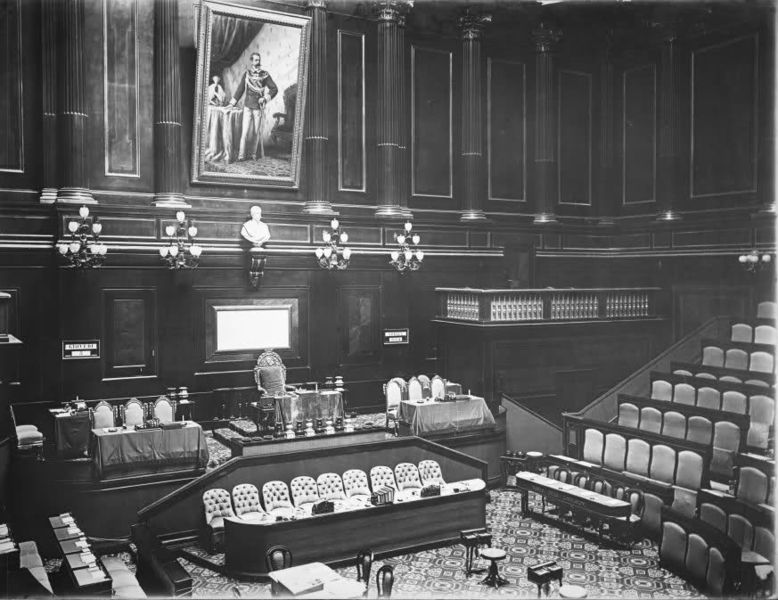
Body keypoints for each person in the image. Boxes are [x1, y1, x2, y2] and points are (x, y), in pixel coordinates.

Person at [229, 52, 278, 161]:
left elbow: (274, 89)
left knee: (256, 132)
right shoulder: (247, 74)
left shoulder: (265, 74)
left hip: (258, 107)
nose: (257, 62)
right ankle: (241, 156)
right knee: (244, 132)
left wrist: (265, 98)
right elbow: (240, 89)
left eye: (258, 60)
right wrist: (232, 103)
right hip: (247, 106)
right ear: (251, 61)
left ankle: (253, 154)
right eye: (255, 60)